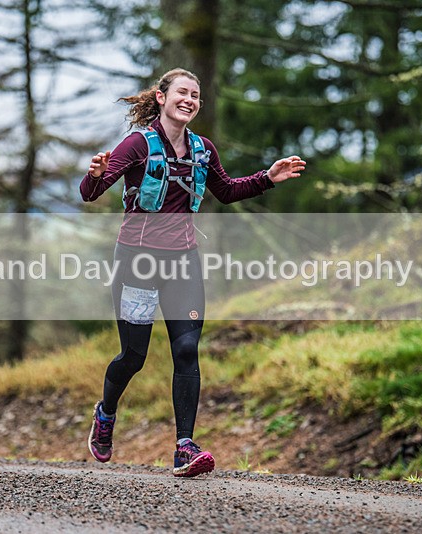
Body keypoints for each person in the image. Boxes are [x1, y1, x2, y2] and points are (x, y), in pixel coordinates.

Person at [80, 68, 305, 477]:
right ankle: (106, 413)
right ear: (162, 98)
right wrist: (94, 176)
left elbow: (227, 190)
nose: (190, 99)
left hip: (183, 261)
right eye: (182, 92)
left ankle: (184, 447)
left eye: (196, 95)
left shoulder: (203, 149)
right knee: (134, 356)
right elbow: (93, 191)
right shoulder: (138, 144)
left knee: (186, 349)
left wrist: (267, 178)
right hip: (138, 263)